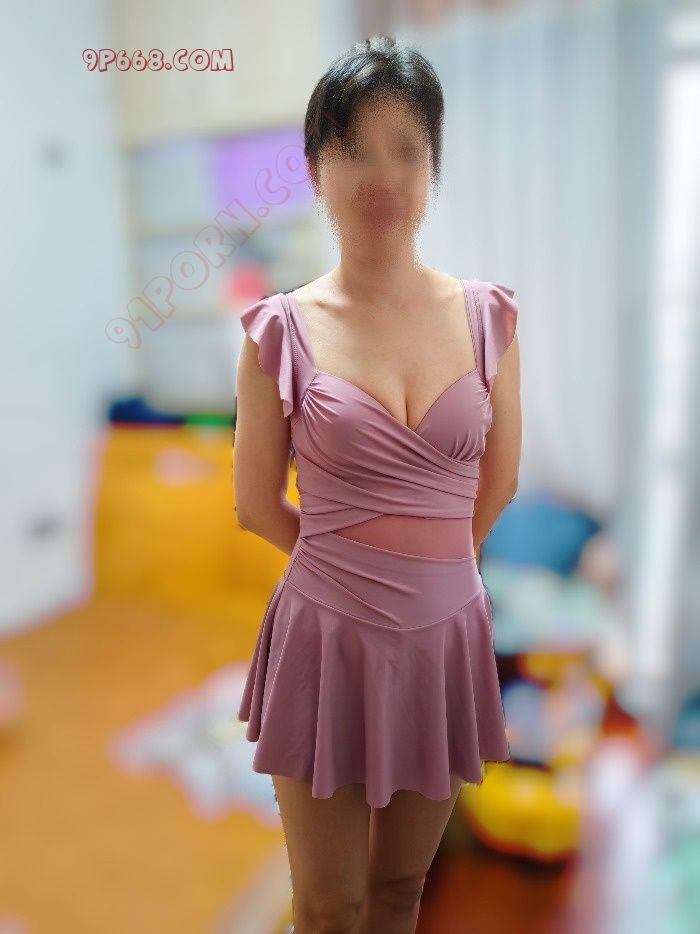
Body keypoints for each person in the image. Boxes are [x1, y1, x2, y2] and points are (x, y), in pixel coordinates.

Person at [233, 34, 521, 934]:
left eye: (407, 149)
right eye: (355, 149)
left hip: (446, 638)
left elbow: (501, 478)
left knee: (400, 894)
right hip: (326, 636)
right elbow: (254, 504)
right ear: (316, 169)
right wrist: (348, 569)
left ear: (432, 167)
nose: (383, 175)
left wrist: (438, 574)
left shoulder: (488, 317)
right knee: (328, 906)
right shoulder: (279, 330)